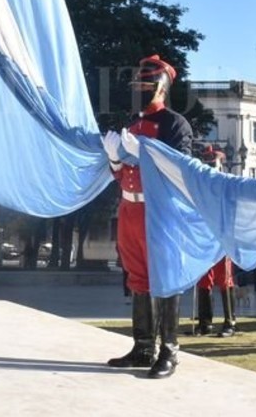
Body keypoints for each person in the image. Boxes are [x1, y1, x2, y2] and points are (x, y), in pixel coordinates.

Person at [101, 54, 194, 379]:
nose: (140, 88)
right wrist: (115, 159)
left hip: (159, 212)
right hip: (129, 209)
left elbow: (181, 170)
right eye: (137, 84)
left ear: (162, 87)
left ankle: (169, 350)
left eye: (147, 84)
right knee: (137, 278)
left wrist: (144, 154)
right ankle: (143, 347)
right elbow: (121, 175)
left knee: (165, 280)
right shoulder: (132, 123)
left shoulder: (175, 124)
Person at [192, 145, 237, 338]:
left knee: (224, 279)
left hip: (222, 236)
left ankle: (230, 322)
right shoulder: (199, 186)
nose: (209, 166)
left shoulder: (227, 184)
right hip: (205, 237)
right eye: (207, 162)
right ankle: (205, 323)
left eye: (212, 162)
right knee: (204, 279)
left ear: (220, 164)